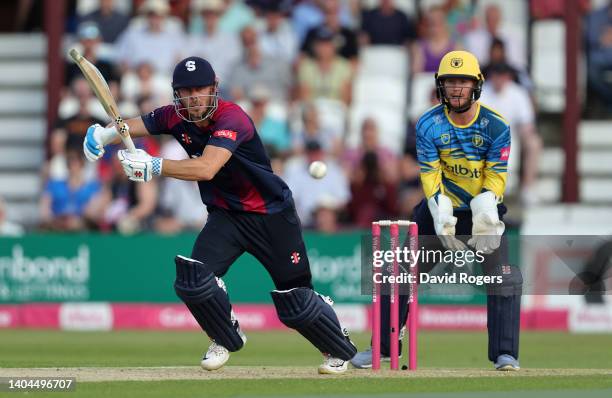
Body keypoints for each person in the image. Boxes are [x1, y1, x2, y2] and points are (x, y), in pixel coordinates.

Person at [82, 56, 357, 374]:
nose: (194, 96)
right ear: (177, 94)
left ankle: (337, 348)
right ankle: (224, 335)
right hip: (227, 216)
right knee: (193, 280)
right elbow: (135, 124)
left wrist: (154, 166)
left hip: (271, 215)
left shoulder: (233, 118)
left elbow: (207, 168)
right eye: (186, 91)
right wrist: (104, 134)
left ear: (214, 88)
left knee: (296, 300)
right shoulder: (174, 116)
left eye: (200, 88)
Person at [351, 51, 522, 371]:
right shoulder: (428, 123)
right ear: (440, 85)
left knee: (505, 278)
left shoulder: (496, 125)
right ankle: (385, 348)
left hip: (481, 210)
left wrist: (487, 204)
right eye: (450, 82)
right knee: (397, 272)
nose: (456, 88)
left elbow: (497, 173)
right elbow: (429, 173)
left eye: (463, 81)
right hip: (438, 208)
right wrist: (439, 208)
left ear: (477, 85)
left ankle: (505, 354)